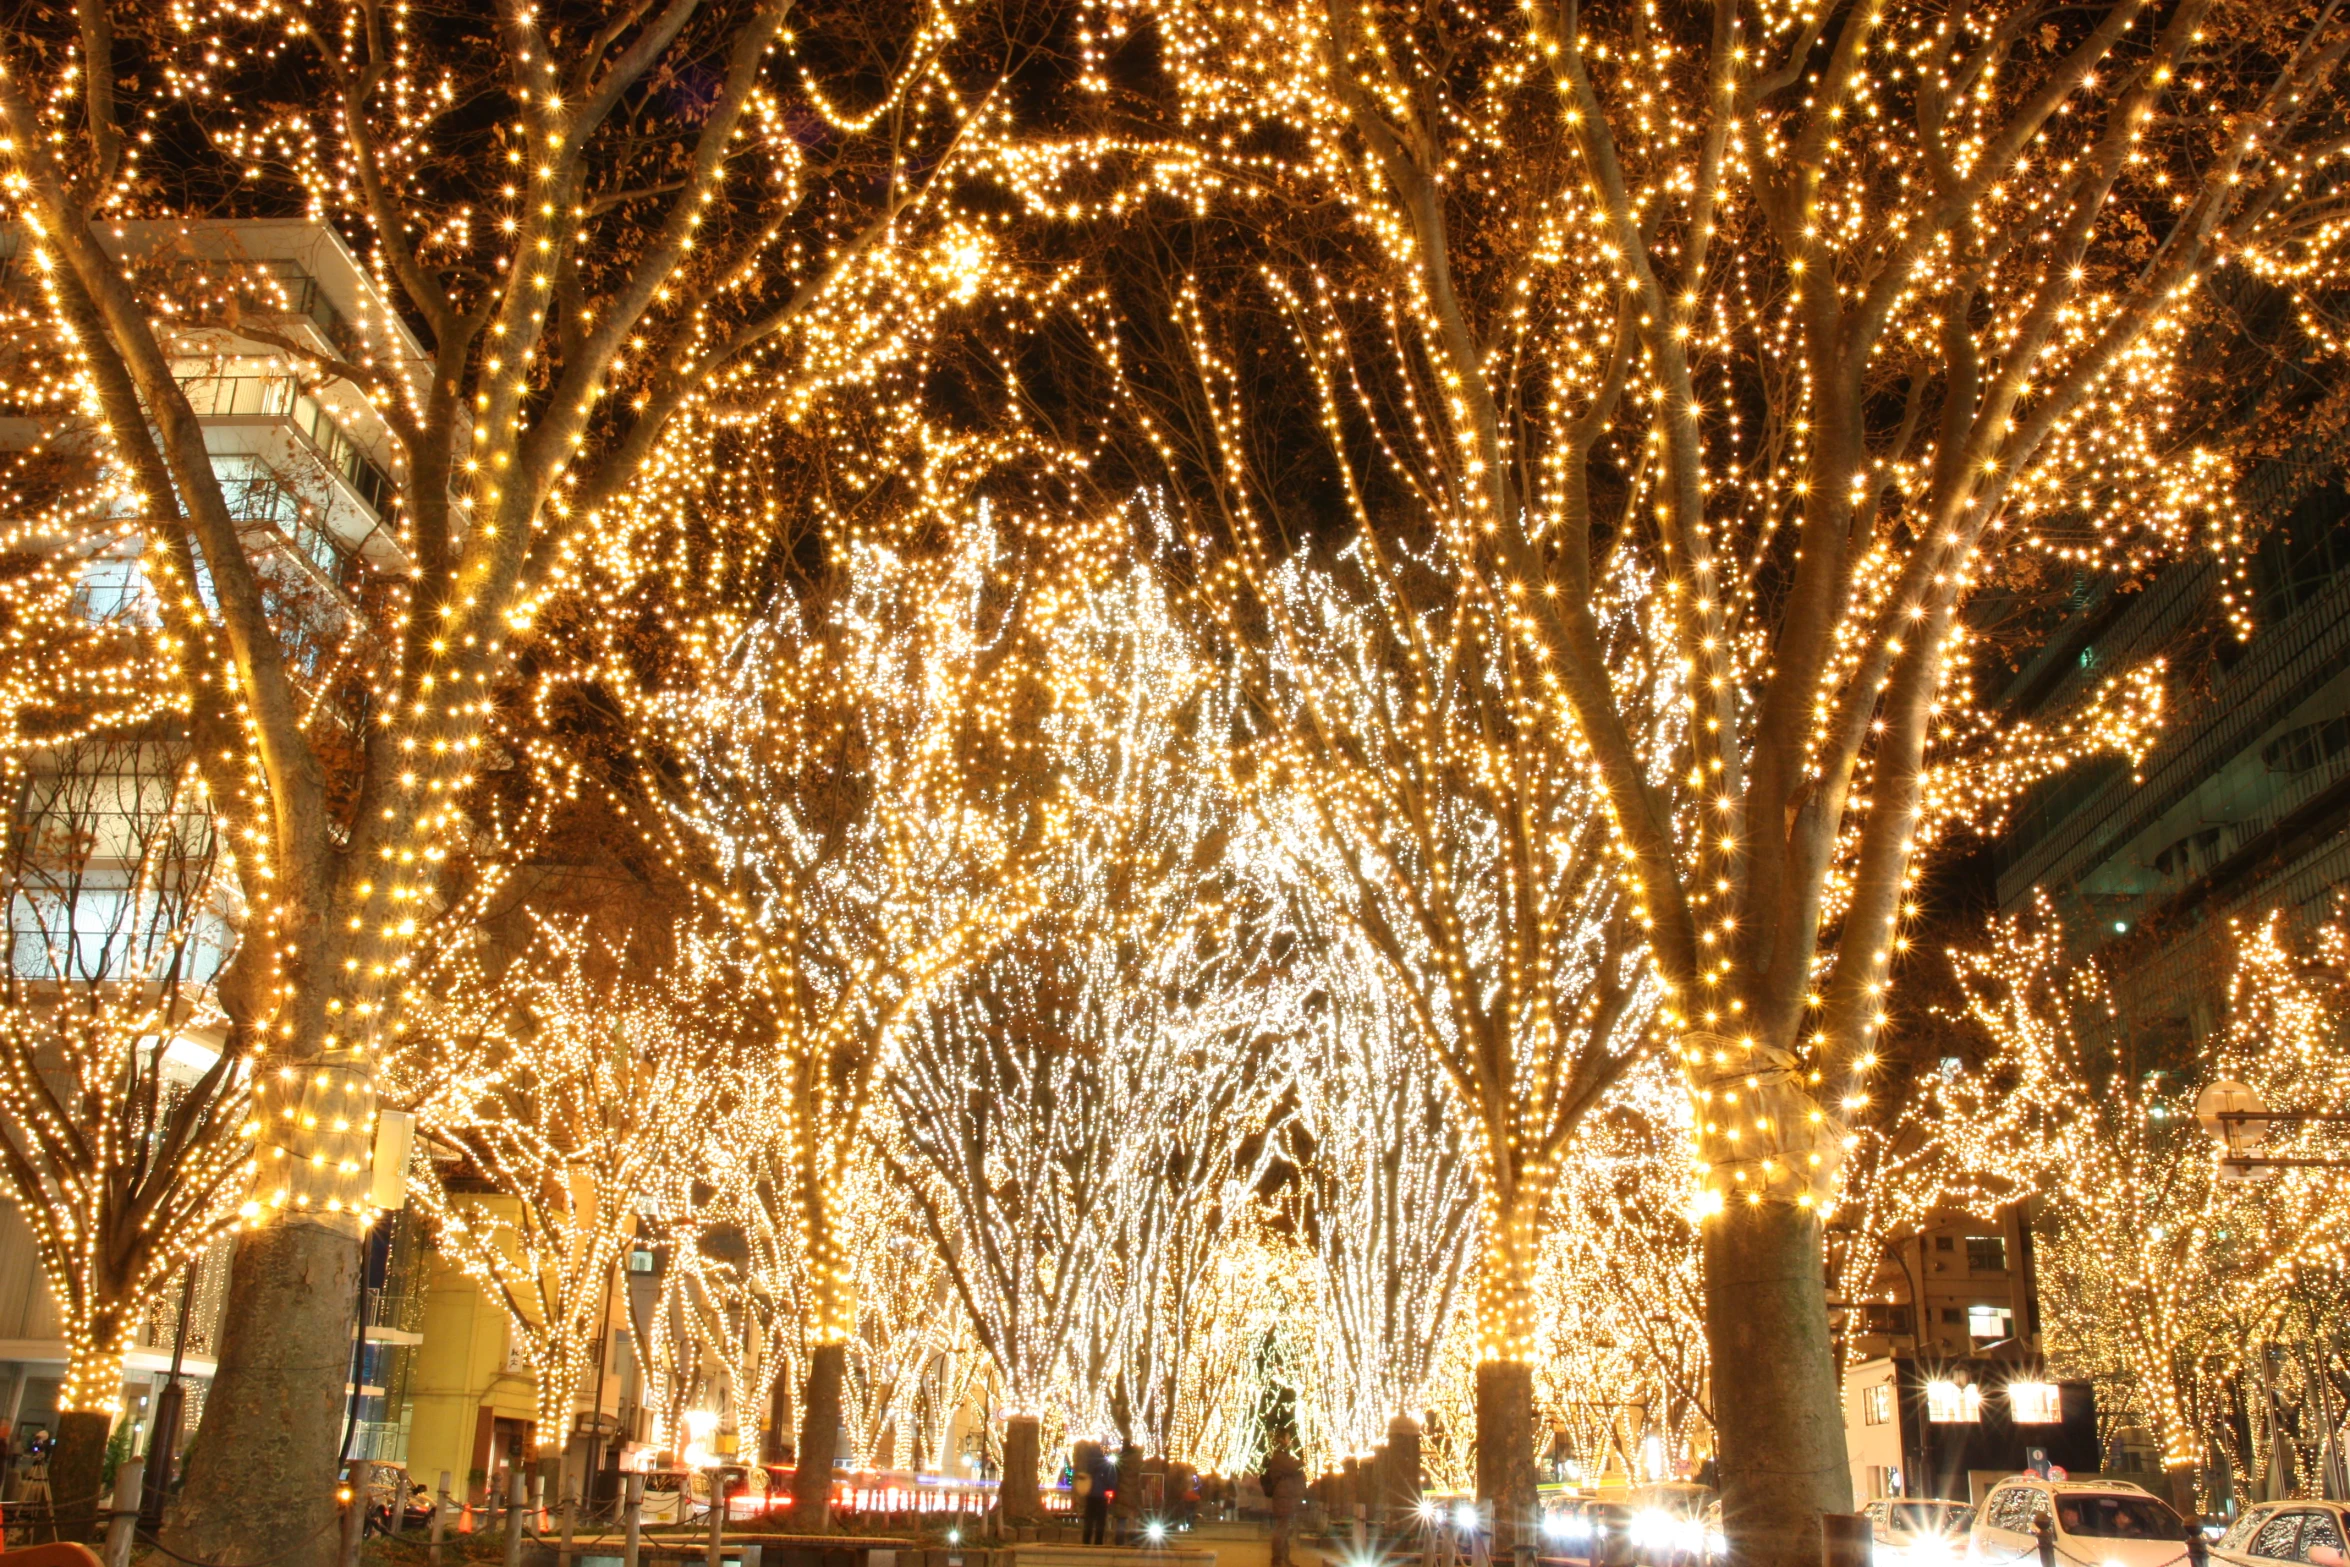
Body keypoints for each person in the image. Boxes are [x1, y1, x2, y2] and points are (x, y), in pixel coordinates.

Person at [1262, 1437, 1305, 1567]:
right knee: (1282, 1529)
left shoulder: (1281, 1457)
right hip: (1284, 1498)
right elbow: (1296, 1467)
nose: (1289, 1442)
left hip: (1287, 1497)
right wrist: (1298, 1460)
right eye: (1286, 1439)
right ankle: (1277, 1559)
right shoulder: (1280, 1458)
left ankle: (1284, 1558)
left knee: (1285, 1529)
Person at [1081, 1447, 1113, 1546]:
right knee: (1100, 1520)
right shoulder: (1105, 1464)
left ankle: (1086, 1540)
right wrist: (1109, 1488)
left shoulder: (1087, 1463)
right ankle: (1098, 1541)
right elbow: (1110, 1479)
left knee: (1089, 1519)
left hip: (1089, 1494)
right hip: (1101, 1495)